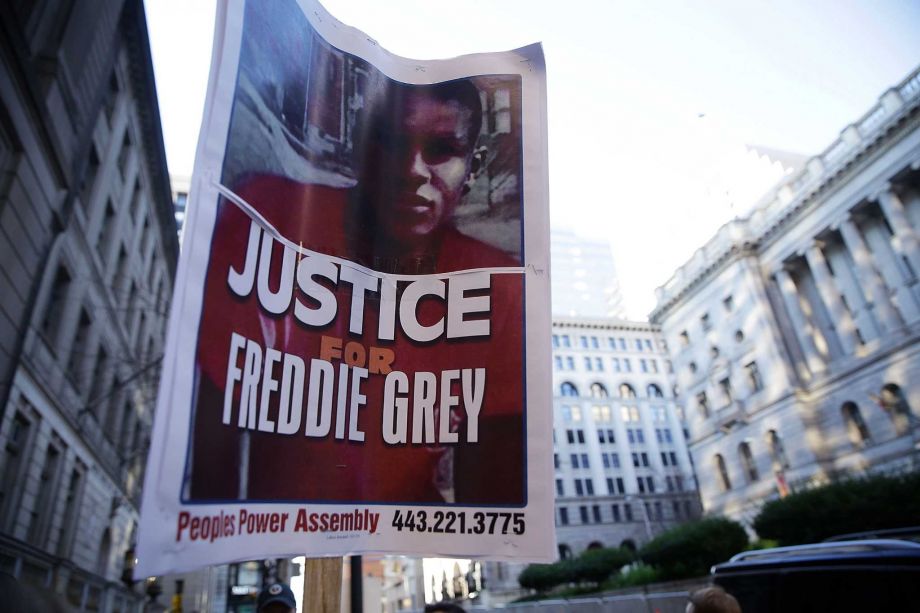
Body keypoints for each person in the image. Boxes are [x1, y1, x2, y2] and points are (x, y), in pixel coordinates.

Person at [187, 78, 525, 505]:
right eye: (391, 144)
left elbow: (492, 507)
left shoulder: (500, 288)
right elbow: (214, 437)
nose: (412, 171)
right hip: (276, 529)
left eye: (441, 150)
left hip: (399, 537)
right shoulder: (271, 214)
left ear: (473, 168)